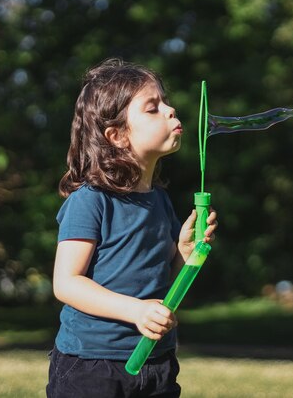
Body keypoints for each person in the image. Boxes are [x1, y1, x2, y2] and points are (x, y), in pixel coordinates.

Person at [46, 58, 218, 397]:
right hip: (92, 365)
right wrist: (135, 310)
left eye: (166, 103)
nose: (170, 110)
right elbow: (66, 283)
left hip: (156, 360)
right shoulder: (90, 201)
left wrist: (183, 254)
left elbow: (164, 282)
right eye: (153, 109)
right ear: (119, 136)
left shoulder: (159, 200)